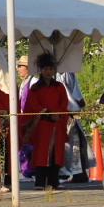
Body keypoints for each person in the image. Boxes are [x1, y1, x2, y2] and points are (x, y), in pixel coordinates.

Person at [22, 53, 69, 190]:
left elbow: (64, 103)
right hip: (42, 125)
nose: (48, 72)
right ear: (41, 70)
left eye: (51, 69)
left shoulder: (59, 87)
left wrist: (58, 114)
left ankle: (53, 182)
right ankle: (40, 181)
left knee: (56, 153)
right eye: (46, 69)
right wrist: (48, 113)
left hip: (57, 124)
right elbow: (33, 105)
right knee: (41, 154)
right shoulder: (35, 89)